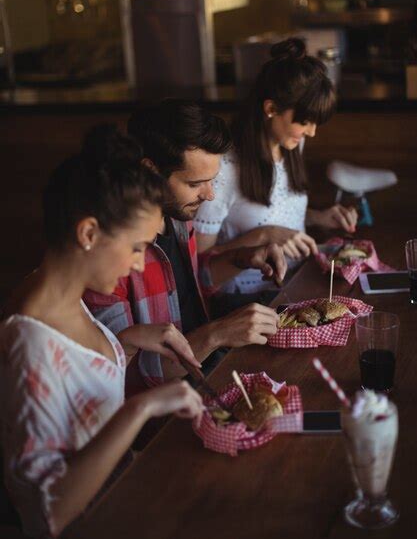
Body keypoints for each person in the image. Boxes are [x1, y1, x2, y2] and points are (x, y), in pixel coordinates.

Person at [0, 126, 204, 537]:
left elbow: (77, 392)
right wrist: (141, 408)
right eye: (136, 247)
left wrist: (127, 342)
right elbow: (48, 512)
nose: (137, 263)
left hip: (125, 501)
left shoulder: (63, 294)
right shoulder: (29, 342)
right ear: (88, 233)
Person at [84, 100, 287, 389]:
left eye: (211, 181)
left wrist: (240, 259)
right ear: (151, 171)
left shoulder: (178, 214)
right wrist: (217, 334)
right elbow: (126, 375)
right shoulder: (112, 251)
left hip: (210, 370)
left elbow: (187, 284)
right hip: (168, 402)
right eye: (195, 184)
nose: (209, 195)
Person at [194, 37, 358, 294]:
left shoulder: (291, 144)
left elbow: (277, 211)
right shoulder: (223, 168)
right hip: (248, 301)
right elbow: (198, 264)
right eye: (305, 121)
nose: (311, 132)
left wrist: (318, 216)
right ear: (271, 108)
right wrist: (264, 235)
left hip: (297, 284)